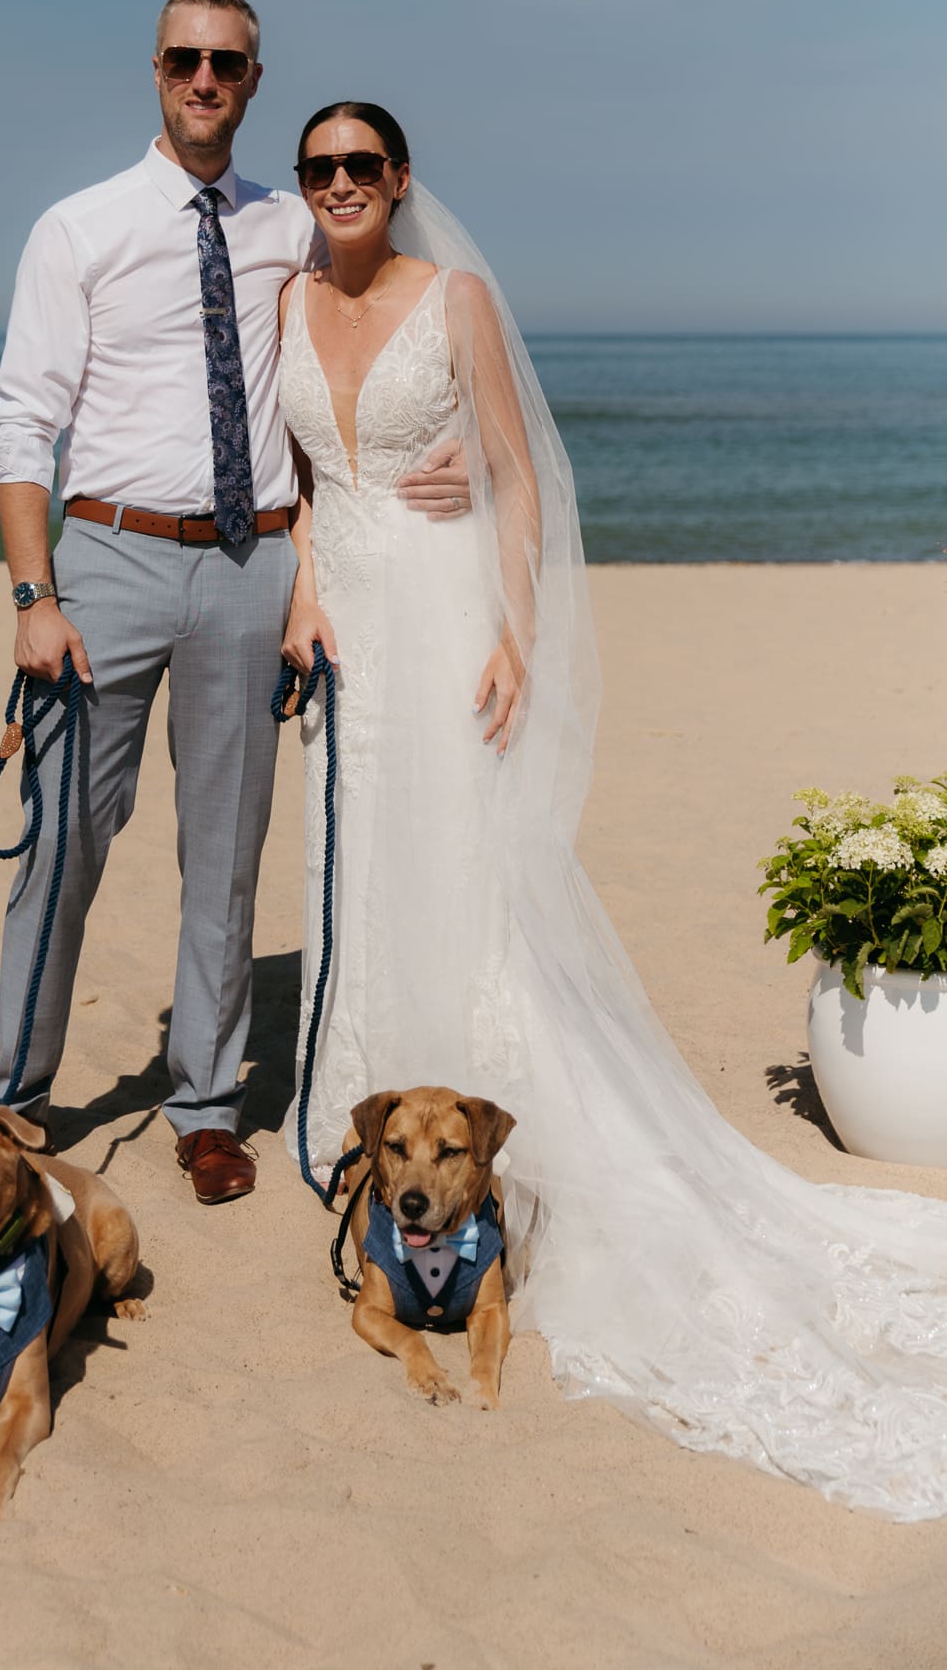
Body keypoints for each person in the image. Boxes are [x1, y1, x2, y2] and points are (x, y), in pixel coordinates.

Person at [276, 100, 947, 1520]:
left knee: (469, 882)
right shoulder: (285, 298)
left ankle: (481, 1161)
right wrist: (307, 590)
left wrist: (515, 630)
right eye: (319, 167)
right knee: (364, 869)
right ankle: (374, 1139)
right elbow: (300, 488)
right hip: (351, 646)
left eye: (362, 166)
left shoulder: (449, 298)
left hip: (450, 616)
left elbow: (514, 476)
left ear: (399, 182)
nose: (340, 185)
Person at [0, 0, 466, 1207]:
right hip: (107, 559)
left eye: (231, 64)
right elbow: (21, 424)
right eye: (188, 59)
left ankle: (204, 1102)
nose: (208, 79)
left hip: (253, 567)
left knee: (228, 853)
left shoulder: (288, 226)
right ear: (156, 70)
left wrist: (452, 449)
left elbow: (364, 333)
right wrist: (35, 595)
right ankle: (20, 1095)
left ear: (253, 81)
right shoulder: (76, 228)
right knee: (64, 840)